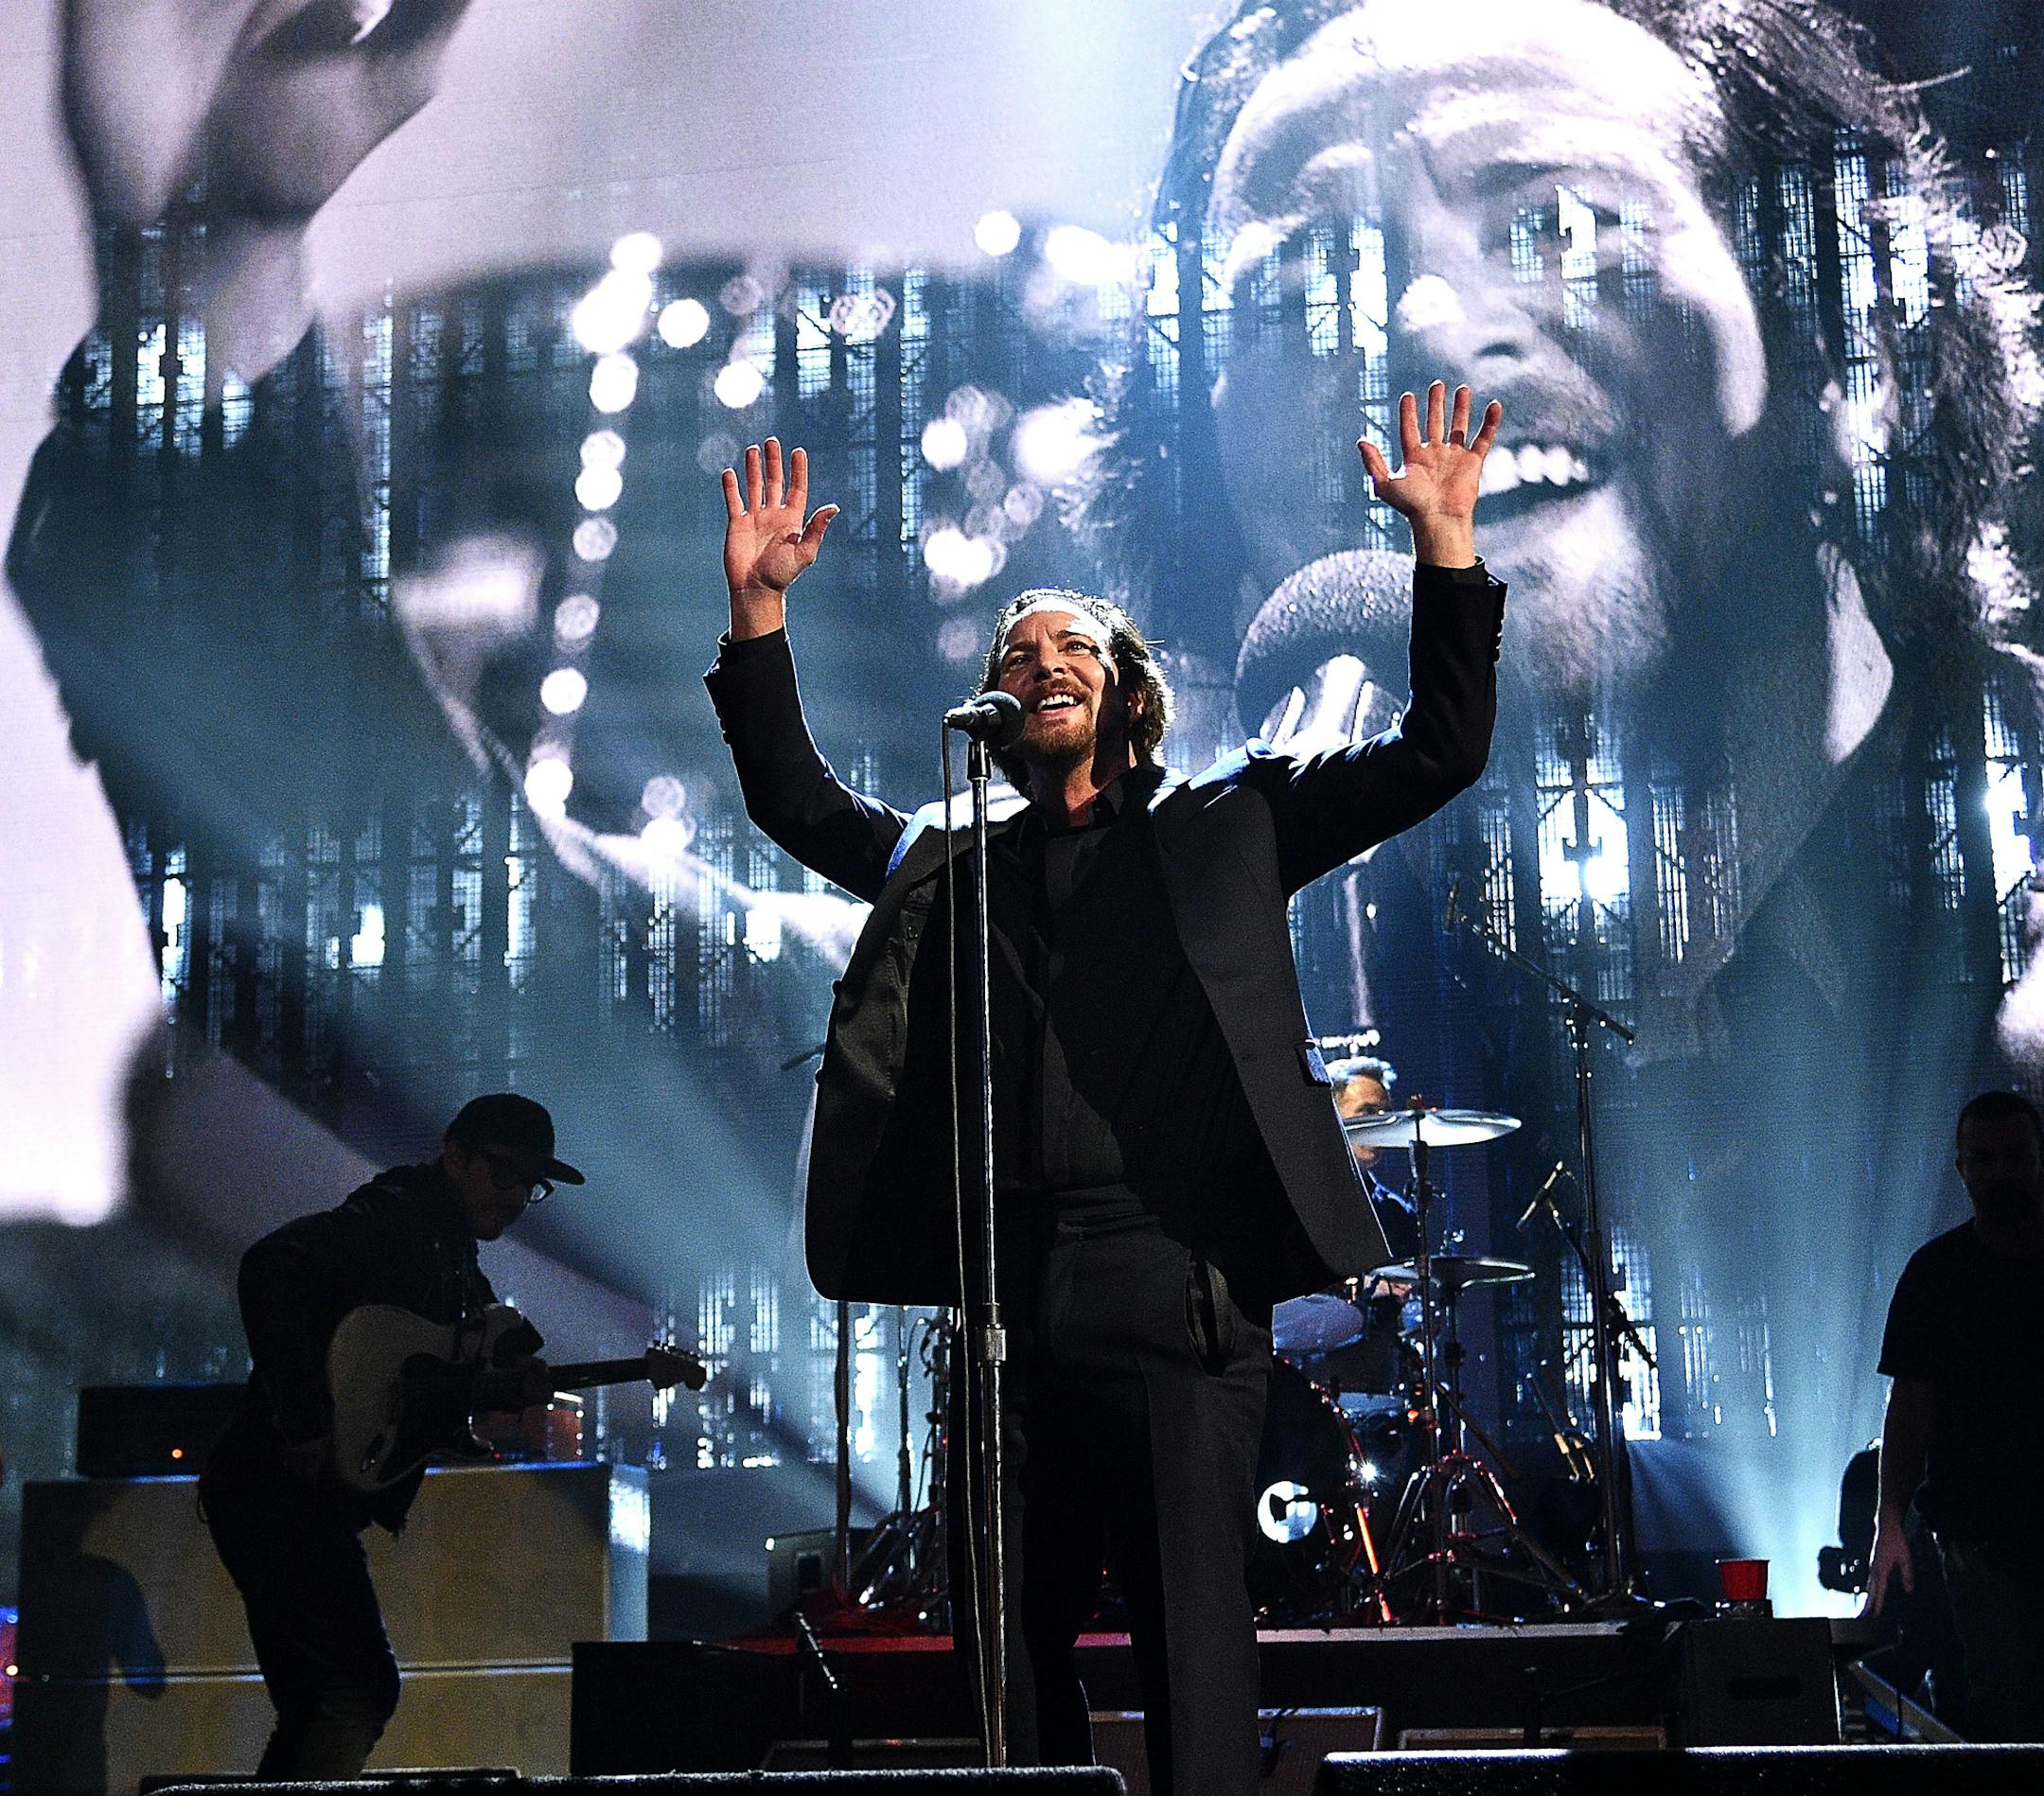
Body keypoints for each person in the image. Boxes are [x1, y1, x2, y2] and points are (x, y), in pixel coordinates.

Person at [703, 388, 1504, 1796]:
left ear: (1125, 692)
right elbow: (796, 801)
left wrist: (1445, 546)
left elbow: (1439, 750)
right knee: (1002, 1657)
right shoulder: (948, 858)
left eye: (1071, 643)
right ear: (999, 712)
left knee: (1195, 1650)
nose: (1039, 658)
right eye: (1018, 652)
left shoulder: (1231, 821)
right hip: (1008, 1295)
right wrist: (762, 617)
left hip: (1177, 1284)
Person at [198, 1091, 579, 1776]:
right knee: (351, 1690)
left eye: (532, 1183)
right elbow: (271, 1266)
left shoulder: (454, 1257)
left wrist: (496, 1385)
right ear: (455, 1157)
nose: (518, 1197)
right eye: (505, 1173)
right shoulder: (395, 1220)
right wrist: (307, 1420)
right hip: (275, 1489)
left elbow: (420, 1382)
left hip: (292, 1498)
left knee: (334, 1695)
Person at [1867, 1088, 2044, 1742]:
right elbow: (1908, 1411)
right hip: (1983, 1532)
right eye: (1987, 1159)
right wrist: (1889, 1520)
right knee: (2007, 1697)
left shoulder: (1935, 1271)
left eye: (2013, 1157)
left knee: (2009, 1699)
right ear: (1963, 1166)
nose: (2000, 1173)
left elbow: (1909, 1409)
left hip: (1979, 1533)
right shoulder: (1936, 1275)